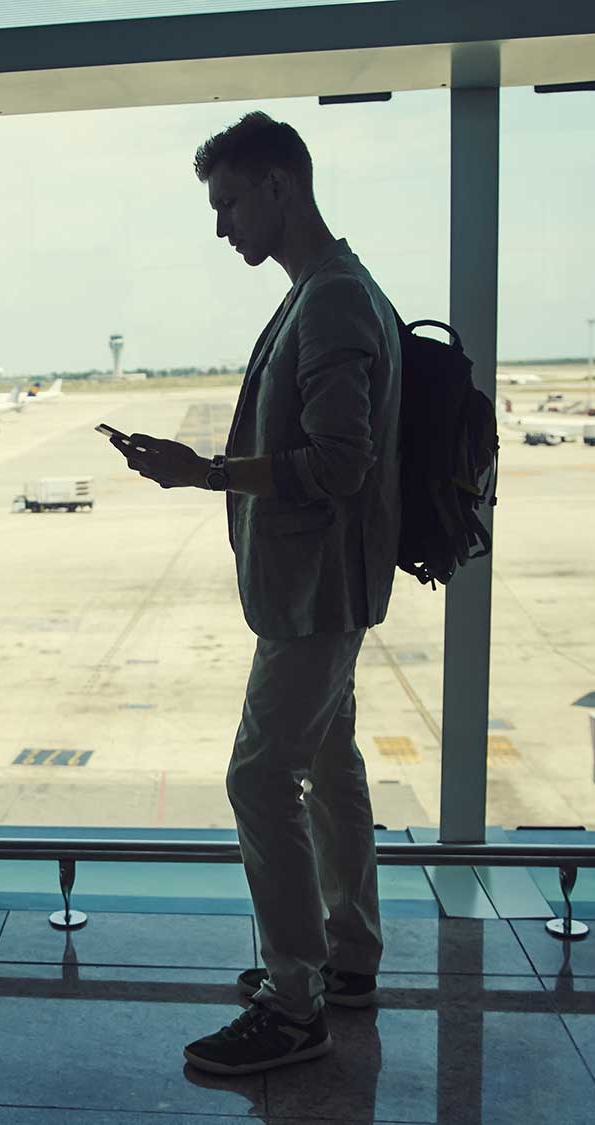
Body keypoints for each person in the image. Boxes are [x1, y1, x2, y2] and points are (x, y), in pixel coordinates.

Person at [109, 111, 401, 1075]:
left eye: (230, 200)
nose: (222, 223)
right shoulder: (325, 290)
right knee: (331, 763)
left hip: (315, 594)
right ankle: (346, 957)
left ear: (281, 185)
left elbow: (342, 462)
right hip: (324, 586)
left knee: (257, 776)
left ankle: (295, 1003)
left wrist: (205, 474)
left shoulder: (329, 301)